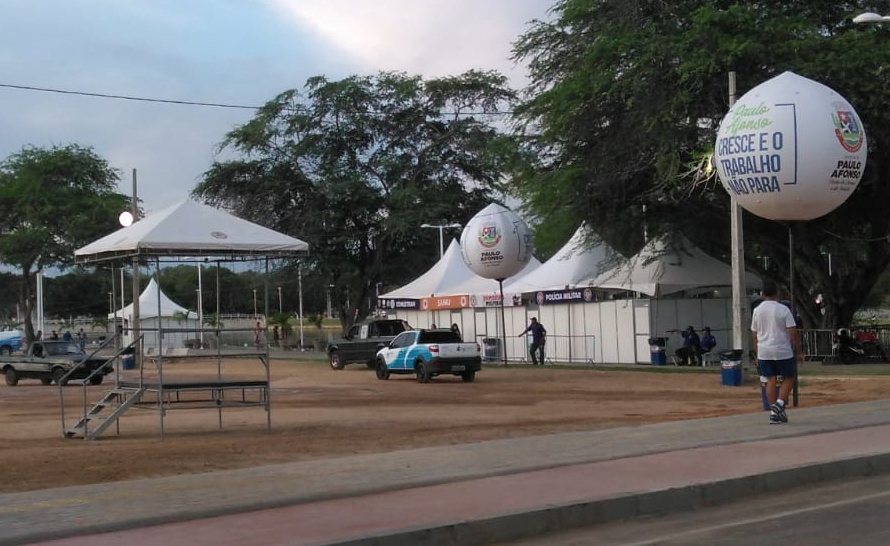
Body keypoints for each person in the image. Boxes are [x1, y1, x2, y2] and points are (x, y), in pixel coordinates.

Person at [751, 279, 804, 425]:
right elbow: (793, 333)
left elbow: (754, 335)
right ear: (777, 293)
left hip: (764, 350)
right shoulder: (783, 310)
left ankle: (773, 413)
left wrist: (757, 353)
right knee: (789, 377)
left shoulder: (757, 310)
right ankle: (779, 405)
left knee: (770, 379)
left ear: (762, 294)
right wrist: (799, 351)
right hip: (782, 349)